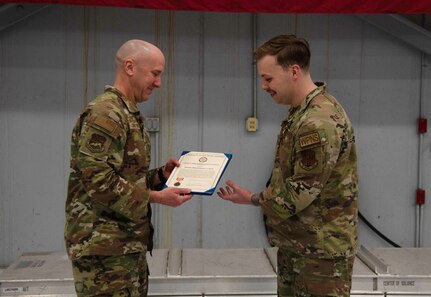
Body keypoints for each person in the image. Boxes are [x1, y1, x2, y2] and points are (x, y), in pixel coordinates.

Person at [217, 34, 358, 297]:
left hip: (320, 258)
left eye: (268, 78)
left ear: (293, 71)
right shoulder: (301, 112)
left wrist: (253, 198)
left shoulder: (317, 121)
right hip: (301, 248)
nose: (263, 86)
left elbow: (299, 193)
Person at [64, 39, 193, 297]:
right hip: (103, 250)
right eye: (155, 74)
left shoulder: (127, 113)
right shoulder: (106, 114)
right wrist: (155, 197)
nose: (158, 83)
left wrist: (159, 177)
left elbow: (124, 177)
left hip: (124, 246)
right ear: (130, 67)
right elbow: (99, 182)